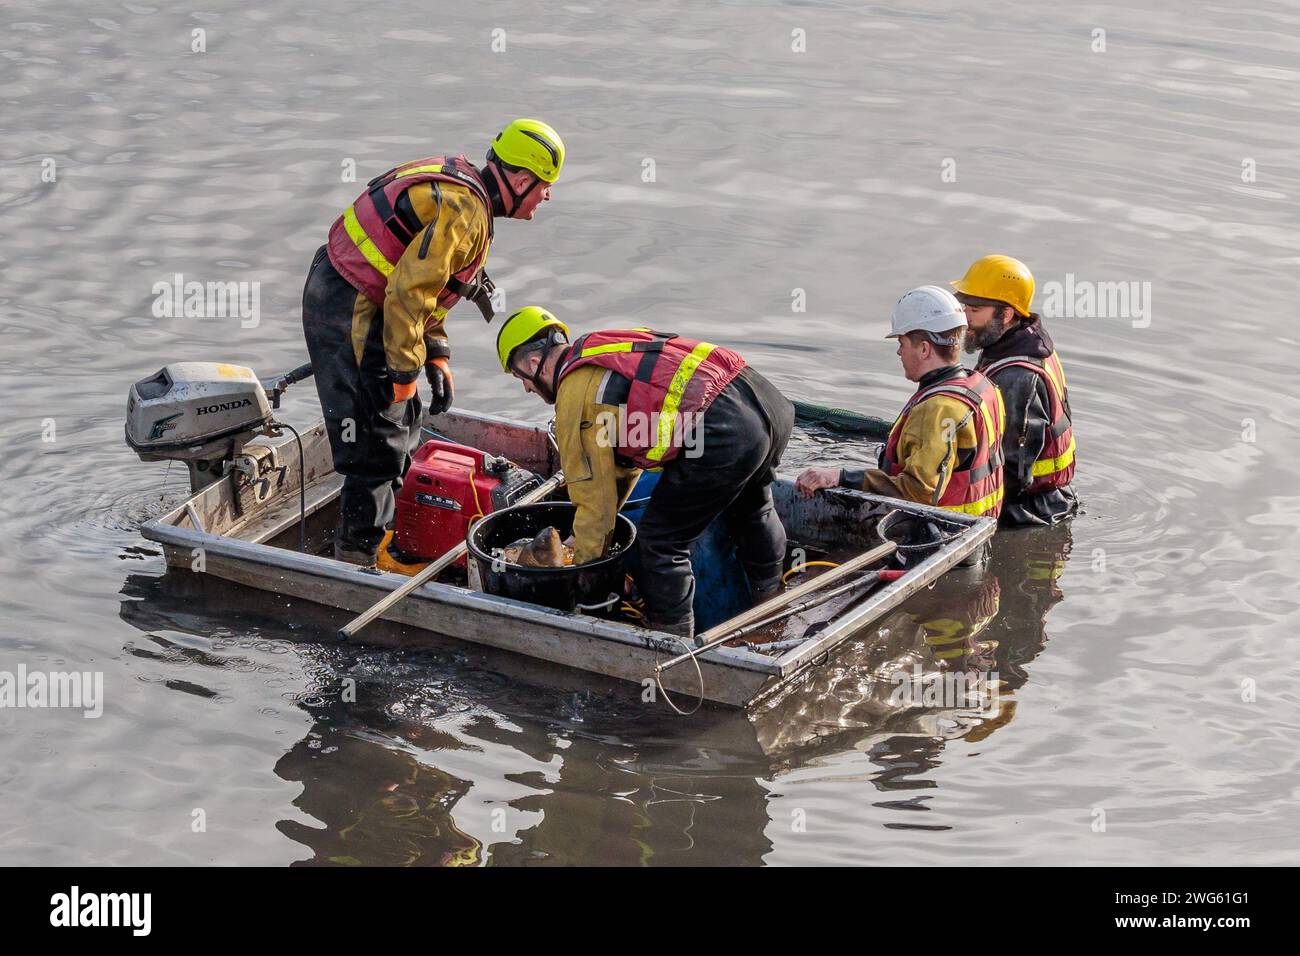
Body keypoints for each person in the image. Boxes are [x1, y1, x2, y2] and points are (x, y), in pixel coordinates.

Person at [302, 119, 565, 565]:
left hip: (366, 300)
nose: (547, 196)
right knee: (377, 435)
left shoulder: (466, 191)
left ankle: (388, 535)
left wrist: (436, 354)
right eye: (545, 186)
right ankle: (355, 557)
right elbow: (408, 293)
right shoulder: (465, 211)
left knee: (406, 423)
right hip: (349, 304)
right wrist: (404, 374)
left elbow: (430, 289)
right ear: (522, 181)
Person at [496, 307, 795, 640]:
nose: (526, 388)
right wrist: (577, 537)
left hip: (724, 430)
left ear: (533, 364)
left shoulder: (575, 397)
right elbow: (621, 466)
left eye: (520, 377)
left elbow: (593, 504)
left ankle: (673, 646)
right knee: (753, 507)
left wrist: (579, 570)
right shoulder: (605, 347)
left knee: (658, 543)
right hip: (766, 403)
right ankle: (772, 609)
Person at [795, 286, 1006, 519]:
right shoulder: (983, 386)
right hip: (977, 531)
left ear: (924, 349)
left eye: (902, 343)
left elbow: (917, 492)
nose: (898, 352)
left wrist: (840, 476)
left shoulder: (938, 408)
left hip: (936, 535)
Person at [951, 254, 1077, 525]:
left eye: (974, 310)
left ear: (1006, 314)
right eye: (963, 307)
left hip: (1025, 513)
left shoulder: (1017, 376)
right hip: (1045, 500)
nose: (964, 319)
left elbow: (1012, 471)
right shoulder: (1019, 345)